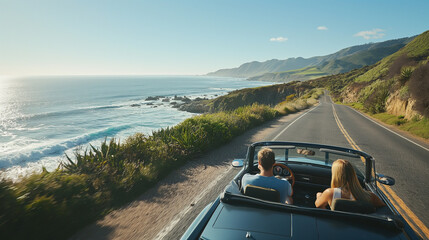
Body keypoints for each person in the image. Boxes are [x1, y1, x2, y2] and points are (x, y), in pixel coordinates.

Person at [315, 159, 385, 209]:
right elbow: (384, 209)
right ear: (353, 174)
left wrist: (319, 195)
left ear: (335, 175)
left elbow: (318, 205)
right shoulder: (370, 196)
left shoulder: (330, 193)